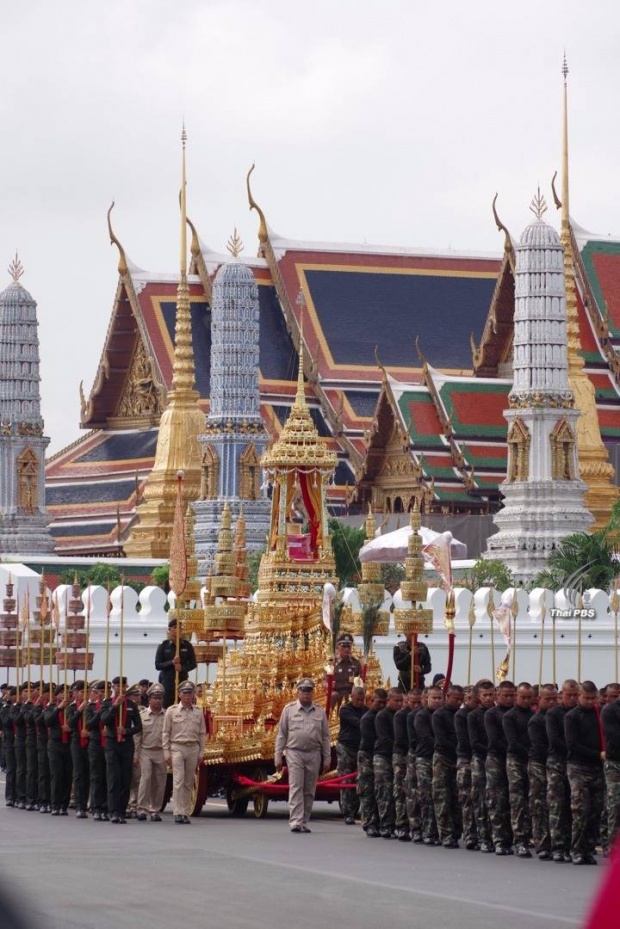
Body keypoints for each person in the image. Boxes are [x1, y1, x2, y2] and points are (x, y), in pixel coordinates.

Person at [274, 678, 331, 833]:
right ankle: (296, 821)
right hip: (294, 752)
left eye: (309, 691)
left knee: (309, 788)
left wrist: (327, 758)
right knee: (296, 786)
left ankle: (305, 820)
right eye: (303, 691)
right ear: (298, 692)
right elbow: (281, 735)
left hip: (314, 753)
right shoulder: (289, 710)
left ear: (313, 693)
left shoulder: (319, 712)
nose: (306, 694)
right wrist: (278, 756)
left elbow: (326, 737)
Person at [565, 680, 604, 865]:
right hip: (578, 767)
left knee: (596, 811)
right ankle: (576, 849)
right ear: (579, 696)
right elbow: (572, 746)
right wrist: (598, 754)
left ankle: (588, 849)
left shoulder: (599, 714)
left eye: (593, 698)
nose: (590, 702)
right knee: (581, 810)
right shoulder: (572, 716)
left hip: (597, 767)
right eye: (586, 698)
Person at [163, 679, 206, 824]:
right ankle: (178, 811)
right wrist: (166, 752)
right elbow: (165, 733)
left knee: (189, 781)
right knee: (178, 780)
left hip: (193, 747)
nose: (188, 696)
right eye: (185, 693)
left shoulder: (198, 712)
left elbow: (202, 733)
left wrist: (201, 752)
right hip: (177, 747)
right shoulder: (172, 711)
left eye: (190, 693)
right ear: (180, 694)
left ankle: (185, 812)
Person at [100, 676, 143, 824]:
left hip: (126, 744)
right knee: (114, 778)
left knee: (125, 779)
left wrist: (126, 731)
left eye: (123, 685)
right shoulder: (107, 703)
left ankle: (121, 811)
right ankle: (112, 811)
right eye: (118, 685)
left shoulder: (131, 704)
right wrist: (114, 707)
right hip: (112, 743)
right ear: (113, 687)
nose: (121, 688)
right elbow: (104, 720)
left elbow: (138, 726)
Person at [546, 678, 579, 863]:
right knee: (557, 806)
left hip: (576, 763)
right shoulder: (553, 714)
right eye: (569, 695)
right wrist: (573, 748)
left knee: (574, 807)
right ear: (561, 695)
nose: (572, 698)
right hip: (557, 762)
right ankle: (558, 846)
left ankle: (573, 846)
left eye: (576, 695)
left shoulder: (580, 713)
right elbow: (554, 740)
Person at [503, 682, 534, 858]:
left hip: (532, 761)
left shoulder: (533, 715)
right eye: (523, 697)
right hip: (516, 760)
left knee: (532, 801)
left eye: (529, 697)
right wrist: (531, 752)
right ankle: (519, 840)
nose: (526, 700)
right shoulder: (509, 717)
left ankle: (530, 835)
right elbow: (513, 742)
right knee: (517, 801)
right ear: (517, 696)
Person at [484, 680, 515, 855]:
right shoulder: (491, 714)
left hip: (514, 759)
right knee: (496, 800)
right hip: (496, 759)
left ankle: (514, 838)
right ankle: (498, 839)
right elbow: (494, 740)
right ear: (498, 695)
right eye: (506, 695)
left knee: (514, 801)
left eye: (512, 695)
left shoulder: (517, 713)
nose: (509, 698)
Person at [432, 683, 463, 848]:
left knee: (457, 798)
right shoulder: (439, 715)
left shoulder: (463, 714)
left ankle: (457, 831)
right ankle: (445, 834)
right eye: (455, 698)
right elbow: (442, 739)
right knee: (442, 798)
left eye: (460, 699)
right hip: (443, 758)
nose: (458, 702)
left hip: (458, 759)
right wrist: (460, 748)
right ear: (447, 698)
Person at [528, 683, 557, 860]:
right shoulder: (536, 720)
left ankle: (558, 842)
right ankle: (542, 843)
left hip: (555, 764)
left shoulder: (560, 717)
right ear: (540, 700)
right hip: (539, 764)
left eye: (555, 698)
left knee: (555, 805)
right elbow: (540, 746)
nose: (552, 702)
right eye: (548, 699)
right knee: (538, 805)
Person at [467, 680, 495, 853]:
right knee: (480, 800)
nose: (488, 698)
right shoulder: (473, 716)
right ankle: (482, 836)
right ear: (479, 696)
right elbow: (474, 742)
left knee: (496, 800)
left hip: (496, 760)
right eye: (485, 695)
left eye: (491, 694)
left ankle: (498, 836)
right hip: (480, 759)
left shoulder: (499, 714)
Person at [415, 685, 444, 845]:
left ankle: (441, 832)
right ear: (427, 699)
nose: (437, 701)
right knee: (426, 796)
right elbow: (426, 737)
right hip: (425, 759)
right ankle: (426, 831)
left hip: (442, 759)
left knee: (440, 797)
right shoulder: (421, 716)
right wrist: (441, 746)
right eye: (434, 698)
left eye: (440, 698)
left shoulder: (445, 715)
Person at [373, 687, 403, 838]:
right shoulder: (382, 716)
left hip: (398, 755)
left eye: (401, 701)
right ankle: (384, 824)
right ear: (389, 701)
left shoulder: (403, 715)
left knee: (398, 791)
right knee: (384, 791)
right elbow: (384, 738)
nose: (399, 704)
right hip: (383, 755)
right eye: (396, 701)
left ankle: (397, 823)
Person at [357, 688, 387, 837]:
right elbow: (369, 740)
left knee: (381, 790)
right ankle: (369, 823)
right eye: (379, 702)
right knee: (367, 790)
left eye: (384, 703)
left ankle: (383, 822)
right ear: (371, 701)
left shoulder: (386, 716)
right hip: (367, 755)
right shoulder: (368, 718)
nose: (382, 705)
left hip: (381, 755)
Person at [135, 683, 168, 822]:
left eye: (160, 698)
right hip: (146, 751)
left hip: (161, 751)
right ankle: (142, 808)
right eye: (155, 698)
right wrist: (135, 754)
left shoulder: (167, 715)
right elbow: (137, 737)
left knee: (159, 781)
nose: (157, 701)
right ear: (149, 700)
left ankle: (155, 809)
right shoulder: (142, 715)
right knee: (146, 778)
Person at [336, 685, 366, 824]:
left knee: (359, 780)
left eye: (362, 699)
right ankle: (347, 812)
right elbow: (358, 723)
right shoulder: (345, 710)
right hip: (346, 748)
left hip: (360, 748)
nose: (360, 702)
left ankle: (355, 810)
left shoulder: (366, 710)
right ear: (352, 697)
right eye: (357, 699)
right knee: (346, 780)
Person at [455, 685, 478, 851]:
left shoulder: (482, 714)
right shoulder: (461, 716)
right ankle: (469, 834)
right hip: (465, 758)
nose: (471, 702)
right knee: (466, 798)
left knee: (480, 799)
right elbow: (464, 740)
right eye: (468, 698)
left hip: (479, 759)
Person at [43, 685, 73, 816]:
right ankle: (55, 804)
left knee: (67, 776)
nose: (64, 695)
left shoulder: (71, 709)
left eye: (67, 693)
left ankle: (64, 804)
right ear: (56, 695)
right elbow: (48, 722)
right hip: (55, 744)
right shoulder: (50, 708)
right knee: (57, 775)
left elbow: (75, 723)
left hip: (68, 744)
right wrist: (58, 708)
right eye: (61, 693)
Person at [155, 619, 197, 708]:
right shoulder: (164, 645)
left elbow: (193, 664)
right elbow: (158, 665)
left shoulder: (187, 645)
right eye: (174, 628)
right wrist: (171, 662)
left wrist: (182, 668)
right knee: (167, 706)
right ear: (169, 630)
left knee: (183, 705)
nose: (177, 630)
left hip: (182, 681)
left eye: (179, 628)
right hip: (167, 681)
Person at [85, 680, 108, 820]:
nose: (103, 694)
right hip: (95, 743)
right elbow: (89, 724)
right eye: (100, 691)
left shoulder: (111, 705)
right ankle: (96, 806)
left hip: (108, 744)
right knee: (96, 777)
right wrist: (100, 712)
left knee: (107, 777)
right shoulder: (91, 707)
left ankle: (105, 807)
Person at [66, 680, 90, 818]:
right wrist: (79, 710)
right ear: (75, 694)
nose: (82, 694)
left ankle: (85, 803)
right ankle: (79, 805)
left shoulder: (91, 707)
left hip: (89, 742)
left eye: (85, 692)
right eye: (80, 692)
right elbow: (70, 723)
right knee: (79, 774)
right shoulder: (72, 707)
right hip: (76, 741)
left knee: (88, 774)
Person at [331, 635, 362, 708]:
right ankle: (331, 716)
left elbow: (361, 679)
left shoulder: (356, 663)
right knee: (333, 695)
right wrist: (327, 684)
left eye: (348, 647)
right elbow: (325, 681)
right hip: (337, 691)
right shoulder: (333, 663)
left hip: (351, 692)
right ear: (338, 647)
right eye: (343, 646)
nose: (346, 649)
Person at [1, 687, 17, 807]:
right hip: (10, 741)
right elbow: (6, 722)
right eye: (14, 695)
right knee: (11, 768)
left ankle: (20, 795)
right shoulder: (5, 708)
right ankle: (10, 796)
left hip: (21, 740)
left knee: (21, 769)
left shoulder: (20, 707)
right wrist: (13, 710)